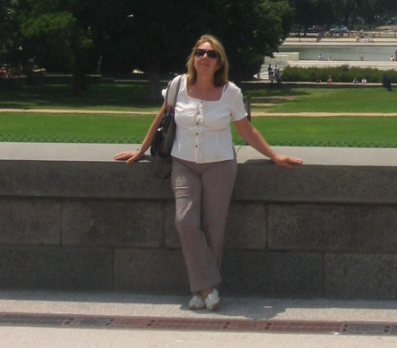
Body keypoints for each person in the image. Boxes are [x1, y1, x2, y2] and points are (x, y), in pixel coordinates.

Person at [115, 35, 302, 310]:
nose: (204, 57)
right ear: (193, 58)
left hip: (220, 164)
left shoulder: (231, 93)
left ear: (219, 62)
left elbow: (245, 130)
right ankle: (206, 286)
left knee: (214, 229)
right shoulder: (178, 85)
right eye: (200, 52)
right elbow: (161, 118)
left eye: (211, 54)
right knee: (185, 222)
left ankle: (202, 291)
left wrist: (273, 155)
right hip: (183, 163)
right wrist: (142, 150)